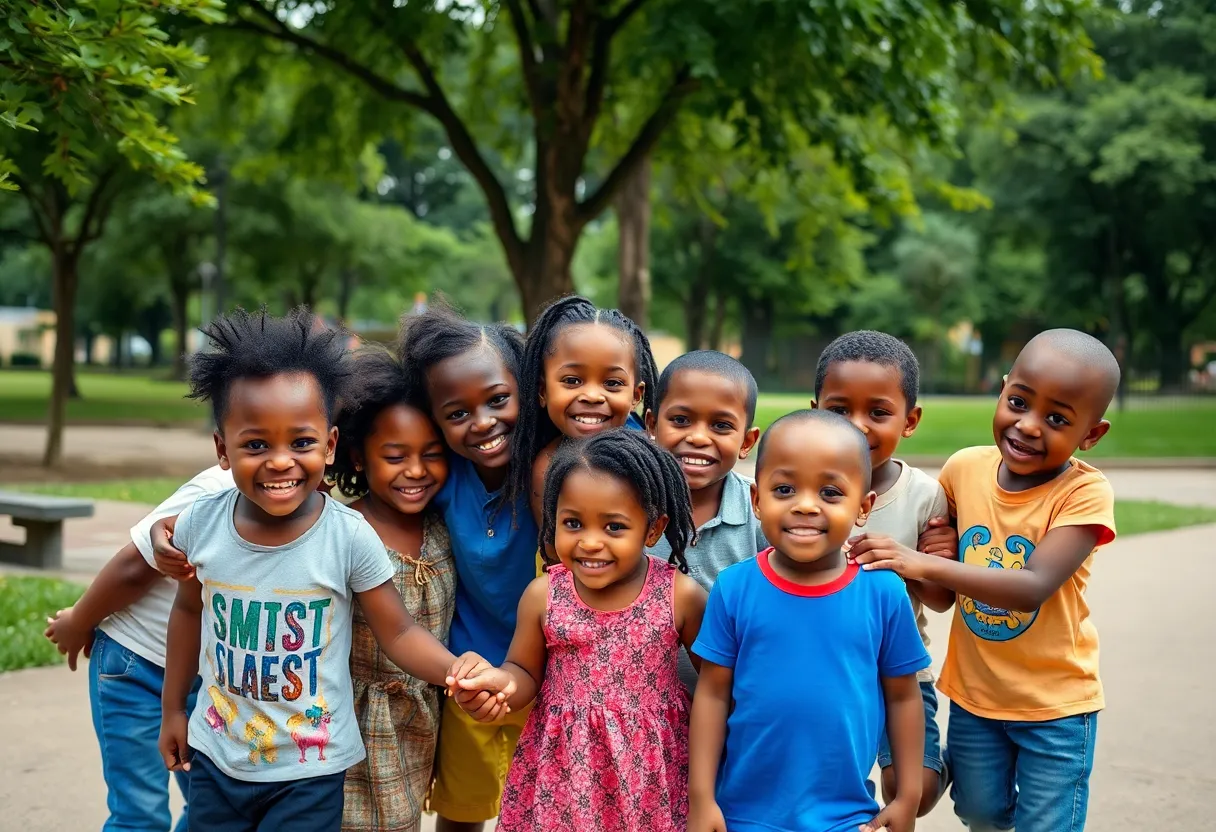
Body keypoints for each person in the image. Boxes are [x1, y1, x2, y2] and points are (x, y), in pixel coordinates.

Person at [155, 308, 502, 832]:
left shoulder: (348, 535)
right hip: (217, 754)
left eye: (300, 443)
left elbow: (401, 631)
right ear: (222, 451)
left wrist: (458, 673)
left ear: (331, 445)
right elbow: (187, 614)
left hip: (311, 768)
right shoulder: (201, 524)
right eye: (256, 444)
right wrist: (173, 712)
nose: (279, 461)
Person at [848, 329, 1121, 832]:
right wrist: (936, 550)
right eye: (1018, 402)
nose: (1029, 426)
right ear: (1001, 391)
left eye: (1057, 419)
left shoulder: (1084, 493)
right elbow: (943, 581)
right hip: (976, 696)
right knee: (979, 810)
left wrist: (921, 562)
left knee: (1047, 824)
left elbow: (1034, 584)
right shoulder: (964, 470)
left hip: (1055, 706)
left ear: (1091, 434)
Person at [688, 410, 930, 832]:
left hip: (845, 816)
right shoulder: (734, 588)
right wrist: (702, 799)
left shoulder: (884, 593)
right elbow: (711, 696)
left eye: (831, 492)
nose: (804, 505)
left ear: (863, 506)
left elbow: (903, 698)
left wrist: (908, 797)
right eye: (784, 489)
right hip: (742, 815)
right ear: (757, 500)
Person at [456, 430, 708, 832]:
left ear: (653, 530)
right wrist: (498, 686)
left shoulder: (681, 596)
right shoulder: (543, 595)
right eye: (572, 523)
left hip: (653, 774)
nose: (590, 542)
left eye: (614, 527)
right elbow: (523, 671)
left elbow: (715, 683)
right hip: (564, 773)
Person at [396, 302, 533, 832]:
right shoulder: (443, 478)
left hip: (550, 675)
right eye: (456, 413)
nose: (482, 423)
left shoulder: (554, 469)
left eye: (498, 399)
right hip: (467, 675)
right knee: (462, 814)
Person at [815, 330, 957, 816]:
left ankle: (943, 762)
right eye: (838, 410)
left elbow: (940, 599)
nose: (857, 427)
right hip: (822, 667)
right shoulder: (798, 486)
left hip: (899, 668)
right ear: (815, 408)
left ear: (909, 419)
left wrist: (915, 561)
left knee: (915, 791)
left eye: (878, 412)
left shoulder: (924, 495)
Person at [44, 467, 232, 832]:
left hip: (210, 681)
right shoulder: (215, 491)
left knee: (214, 810)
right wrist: (78, 621)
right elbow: (134, 566)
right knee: (140, 815)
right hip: (136, 665)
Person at [328, 348, 457, 832]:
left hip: (421, 714)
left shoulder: (443, 526)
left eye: (431, 453)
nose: (416, 471)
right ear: (359, 456)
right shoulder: (341, 528)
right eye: (395, 456)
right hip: (352, 720)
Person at [644, 350, 764, 690]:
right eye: (681, 420)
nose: (698, 437)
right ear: (651, 425)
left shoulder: (763, 512)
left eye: (721, 425)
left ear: (747, 441)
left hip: (737, 705)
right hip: (645, 714)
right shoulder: (629, 507)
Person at [505, 294, 655, 526]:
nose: (592, 396)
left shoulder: (651, 458)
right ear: (543, 391)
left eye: (613, 383)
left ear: (636, 396)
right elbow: (551, 551)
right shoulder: (546, 468)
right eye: (572, 381)